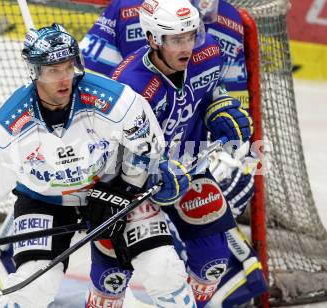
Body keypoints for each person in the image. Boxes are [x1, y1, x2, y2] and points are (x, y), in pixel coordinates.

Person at [0, 23, 197, 307]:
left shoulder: (113, 99)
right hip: (45, 200)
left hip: (113, 188)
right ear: (35, 72)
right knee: (33, 286)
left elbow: (148, 148)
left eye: (68, 67)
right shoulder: (10, 121)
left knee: (164, 269)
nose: (64, 79)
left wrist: (122, 187)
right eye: (53, 71)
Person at [106, 0, 267, 307]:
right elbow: (115, 153)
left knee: (213, 260)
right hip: (134, 185)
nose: (188, 46)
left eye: (191, 35)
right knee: (118, 271)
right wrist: (152, 171)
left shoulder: (207, 54)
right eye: (177, 39)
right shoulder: (129, 84)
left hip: (189, 168)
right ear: (153, 39)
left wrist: (221, 110)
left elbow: (212, 93)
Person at [81, 0, 249, 107]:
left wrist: (223, 108)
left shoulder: (231, 21)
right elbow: (89, 82)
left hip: (197, 150)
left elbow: (234, 97)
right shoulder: (125, 9)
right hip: (139, 140)